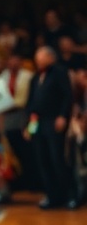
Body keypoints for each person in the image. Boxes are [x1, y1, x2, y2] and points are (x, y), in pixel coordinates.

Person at [26, 46, 79, 209]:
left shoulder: (59, 73)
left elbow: (67, 96)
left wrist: (63, 116)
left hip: (54, 120)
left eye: (41, 57)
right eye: (37, 57)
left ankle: (70, 195)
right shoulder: (35, 77)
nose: (38, 60)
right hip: (38, 122)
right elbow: (31, 104)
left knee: (58, 159)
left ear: (51, 57)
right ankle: (52, 196)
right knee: (43, 160)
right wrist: (29, 127)